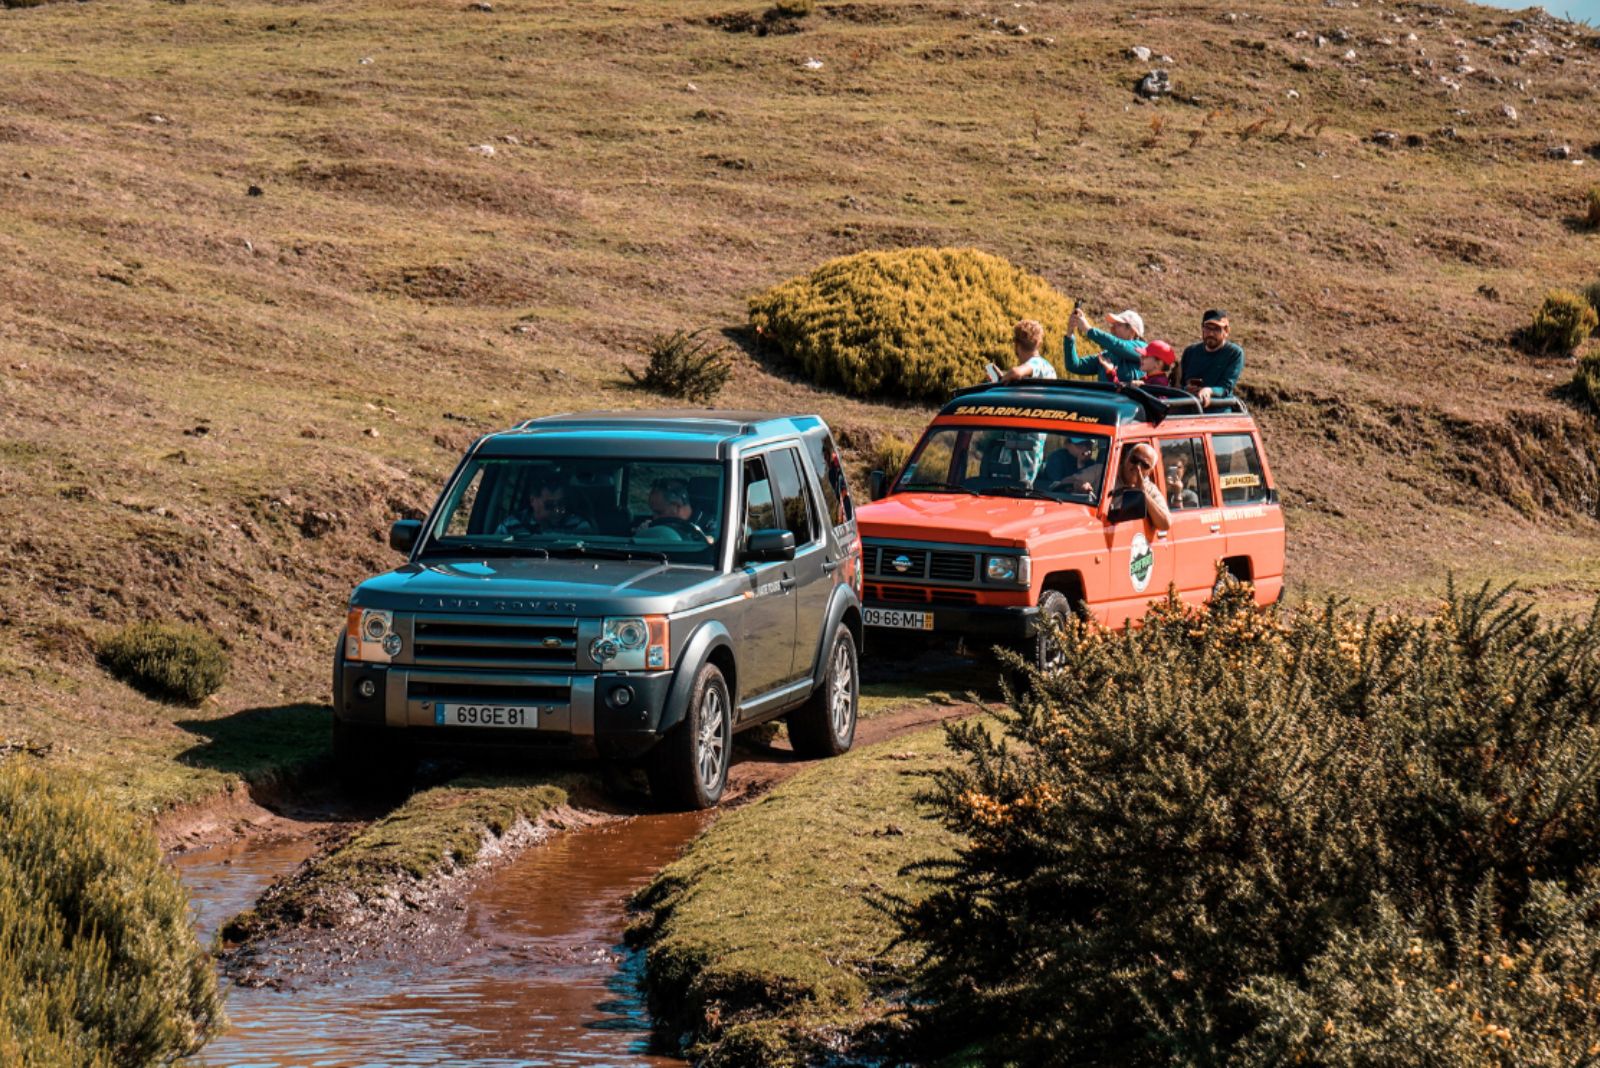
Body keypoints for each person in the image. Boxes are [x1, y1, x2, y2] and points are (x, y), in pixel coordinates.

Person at [1178, 309, 1244, 408]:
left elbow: (1225, 388)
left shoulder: (1234, 353)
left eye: (1217, 329)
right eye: (1208, 328)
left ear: (1226, 331)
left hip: (1218, 411)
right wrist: (1187, 389)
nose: (1211, 334)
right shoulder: (1190, 352)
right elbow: (1180, 384)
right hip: (1189, 408)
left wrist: (1209, 391)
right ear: (1202, 329)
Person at [1063, 306, 1146, 383]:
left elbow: (1117, 345)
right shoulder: (1107, 355)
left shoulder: (1143, 349)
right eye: (1113, 325)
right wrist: (1069, 334)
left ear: (1132, 332)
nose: (1112, 329)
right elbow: (1074, 366)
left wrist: (1088, 329)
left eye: (1119, 325)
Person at [496, 470, 593, 536]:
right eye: (549, 505)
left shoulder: (577, 526)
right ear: (533, 501)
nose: (557, 510)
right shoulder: (511, 526)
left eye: (561, 504)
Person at [1111, 442, 1171, 533]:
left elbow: (1165, 524)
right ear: (1126, 458)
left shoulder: (1150, 489)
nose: (1137, 467)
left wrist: (1143, 493)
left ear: (1149, 472)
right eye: (1134, 459)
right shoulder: (1107, 473)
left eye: (1144, 465)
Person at [635, 477, 710, 540]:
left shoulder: (712, 528)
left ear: (676, 506)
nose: (654, 518)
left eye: (659, 512)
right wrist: (645, 535)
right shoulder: (652, 527)